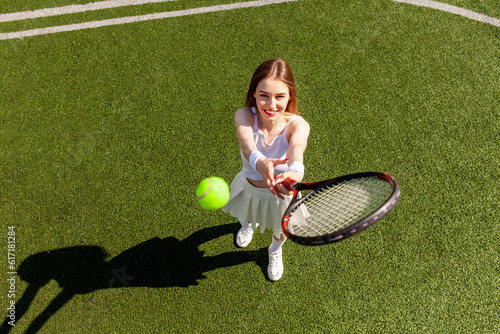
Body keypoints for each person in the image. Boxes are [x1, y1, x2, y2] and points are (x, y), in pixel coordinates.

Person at [223, 58, 310, 281]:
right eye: (264, 95)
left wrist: (295, 173)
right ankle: (249, 225)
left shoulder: (298, 125)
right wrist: (261, 163)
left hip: (280, 195)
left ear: (290, 96)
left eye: (280, 96)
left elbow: (297, 149)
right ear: (254, 93)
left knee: (280, 230)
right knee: (247, 214)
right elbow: (247, 143)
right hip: (250, 187)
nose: (271, 105)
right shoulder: (244, 115)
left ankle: (274, 250)